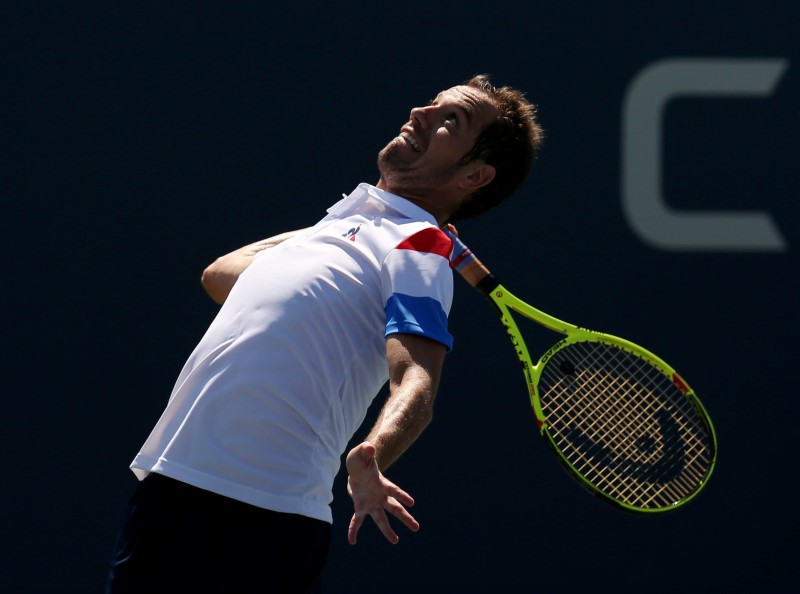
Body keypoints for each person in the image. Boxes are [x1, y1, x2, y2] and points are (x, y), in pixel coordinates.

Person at [106, 73, 543, 593]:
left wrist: (373, 451)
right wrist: (351, 216)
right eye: (431, 103)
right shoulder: (343, 232)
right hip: (172, 483)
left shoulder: (420, 249)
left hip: (257, 516)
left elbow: (417, 383)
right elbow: (221, 273)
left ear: (474, 175)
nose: (421, 113)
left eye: (451, 120)